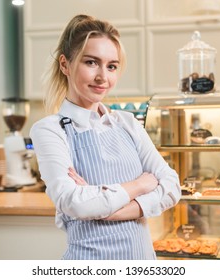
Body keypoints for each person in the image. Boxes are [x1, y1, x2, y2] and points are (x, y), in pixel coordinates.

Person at [30, 14, 181, 260]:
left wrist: (109, 209)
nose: (103, 77)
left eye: (111, 66)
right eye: (91, 63)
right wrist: (139, 186)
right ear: (65, 64)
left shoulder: (128, 123)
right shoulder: (50, 130)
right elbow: (74, 202)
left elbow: (172, 186)